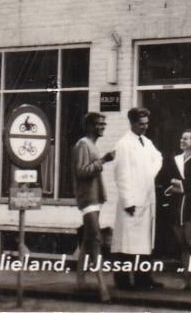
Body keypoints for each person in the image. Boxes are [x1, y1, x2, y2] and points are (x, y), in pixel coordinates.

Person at [111, 107, 164, 290]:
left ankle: (143, 279)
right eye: (141, 124)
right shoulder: (123, 144)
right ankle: (122, 280)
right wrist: (128, 201)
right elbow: (121, 174)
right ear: (132, 123)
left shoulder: (147, 142)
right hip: (132, 200)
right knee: (126, 243)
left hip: (145, 198)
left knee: (143, 243)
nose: (145, 127)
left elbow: (158, 158)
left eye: (147, 124)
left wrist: (148, 174)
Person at [72, 112, 115, 302]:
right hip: (88, 199)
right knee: (96, 239)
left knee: (88, 240)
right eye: (99, 124)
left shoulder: (91, 145)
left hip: (94, 198)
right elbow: (81, 172)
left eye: (104, 124)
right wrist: (104, 160)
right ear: (89, 126)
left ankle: (80, 283)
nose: (102, 127)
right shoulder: (83, 144)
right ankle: (102, 288)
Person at [164, 129, 191, 291]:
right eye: (181, 138)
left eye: (186, 138)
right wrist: (171, 187)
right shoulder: (175, 159)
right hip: (176, 206)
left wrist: (181, 186)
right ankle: (187, 281)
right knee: (183, 245)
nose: (182, 140)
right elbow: (166, 178)